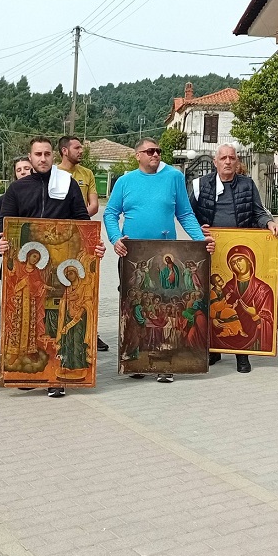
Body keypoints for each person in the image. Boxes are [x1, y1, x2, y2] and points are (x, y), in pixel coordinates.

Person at [0, 136, 105, 397]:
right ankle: (27, 374)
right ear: (30, 157)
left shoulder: (67, 184)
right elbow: (3, 224)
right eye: (38, 154)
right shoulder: (17, 189)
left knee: (52, 323)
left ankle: (55, 378)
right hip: (23, 268)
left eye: (47, 154)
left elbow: (82, 223)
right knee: (22, 319)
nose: (43, 159)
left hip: (59, 266)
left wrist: (94, 247)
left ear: (54, 156)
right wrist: (1, 243)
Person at [104, 137, 212, 383]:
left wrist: (200, 242)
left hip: (164, 256)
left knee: (163, 305)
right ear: (138, 155)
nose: (155, 154)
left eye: (158, 151)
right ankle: (135, 358)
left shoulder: (173, 177)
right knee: (134, 306)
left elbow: (185, 213)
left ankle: (165, 363)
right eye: (150, 151)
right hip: (133, 255)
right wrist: (115, 238)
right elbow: (110, 213)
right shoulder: (125, 181)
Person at [189, 144, 278, 373]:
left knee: (237, 303)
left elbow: (258, 212)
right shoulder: (201, 185)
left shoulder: (247, 185)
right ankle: (214, 350)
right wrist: (198, 229)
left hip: (239, 248)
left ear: (237, 161)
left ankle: (242, 354)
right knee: (212, 300)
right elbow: (187, 215)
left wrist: (269, 223)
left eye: (232, 158)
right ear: (215, 162)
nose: (228, 161)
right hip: (210, 249)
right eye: (223, 158)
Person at [57, 135, 110, 352]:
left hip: (81, 234)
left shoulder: (87, 173)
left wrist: (76, 221)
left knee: (85, 283)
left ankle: (90, 333)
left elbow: (94, 205)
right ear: (64, 150)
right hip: (59, 237)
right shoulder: (54, 173)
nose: (81, 151)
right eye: (77, 147)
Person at [0, 156, 33, 377]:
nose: (23, 172)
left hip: (37, 264)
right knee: (6, 308)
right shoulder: (6, 198)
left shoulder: (43, 195)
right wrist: (1, 243)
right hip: (13, 264)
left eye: (27, 168)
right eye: (19, 169)